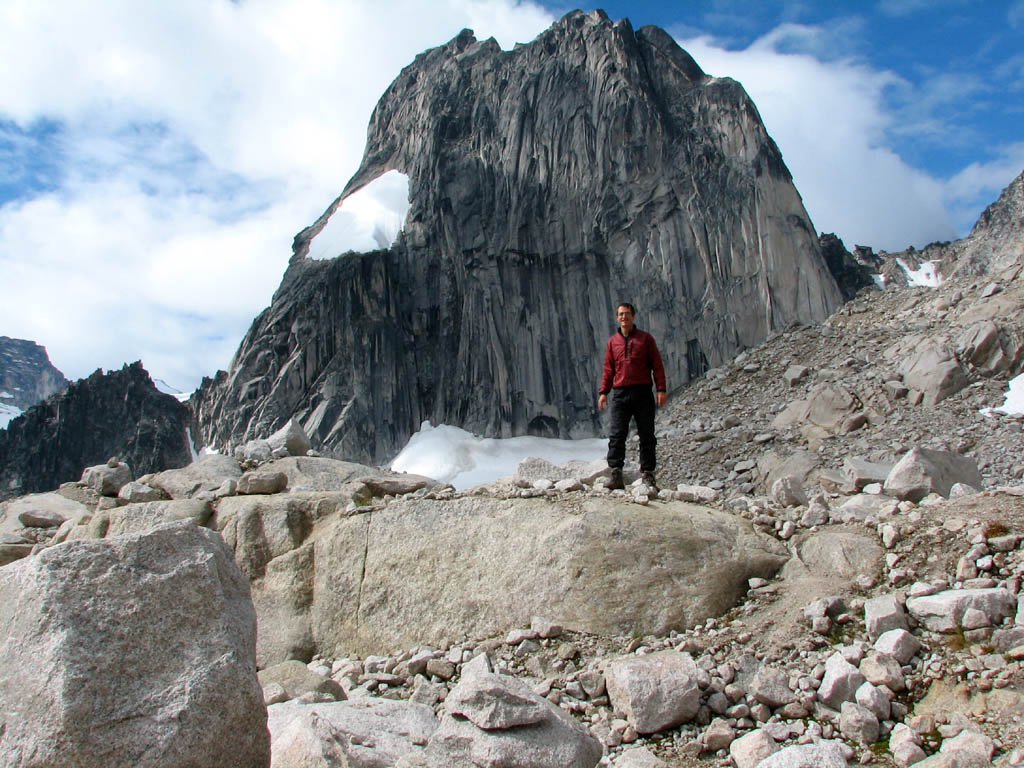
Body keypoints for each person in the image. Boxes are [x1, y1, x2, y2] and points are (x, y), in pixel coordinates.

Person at [598, 302, 667, 490]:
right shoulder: (613, 342)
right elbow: (608, 369)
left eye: (627, 314)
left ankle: (648, 475)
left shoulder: (645, 340)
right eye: (620, 314)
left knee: (647, 435)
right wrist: (603, 392)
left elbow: (657, 365)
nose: (623, 317)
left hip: (643, 392)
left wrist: (661, 389)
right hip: (620, 393)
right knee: (617, 435)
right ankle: (616, 473)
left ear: (633, 316)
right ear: (617, 317)